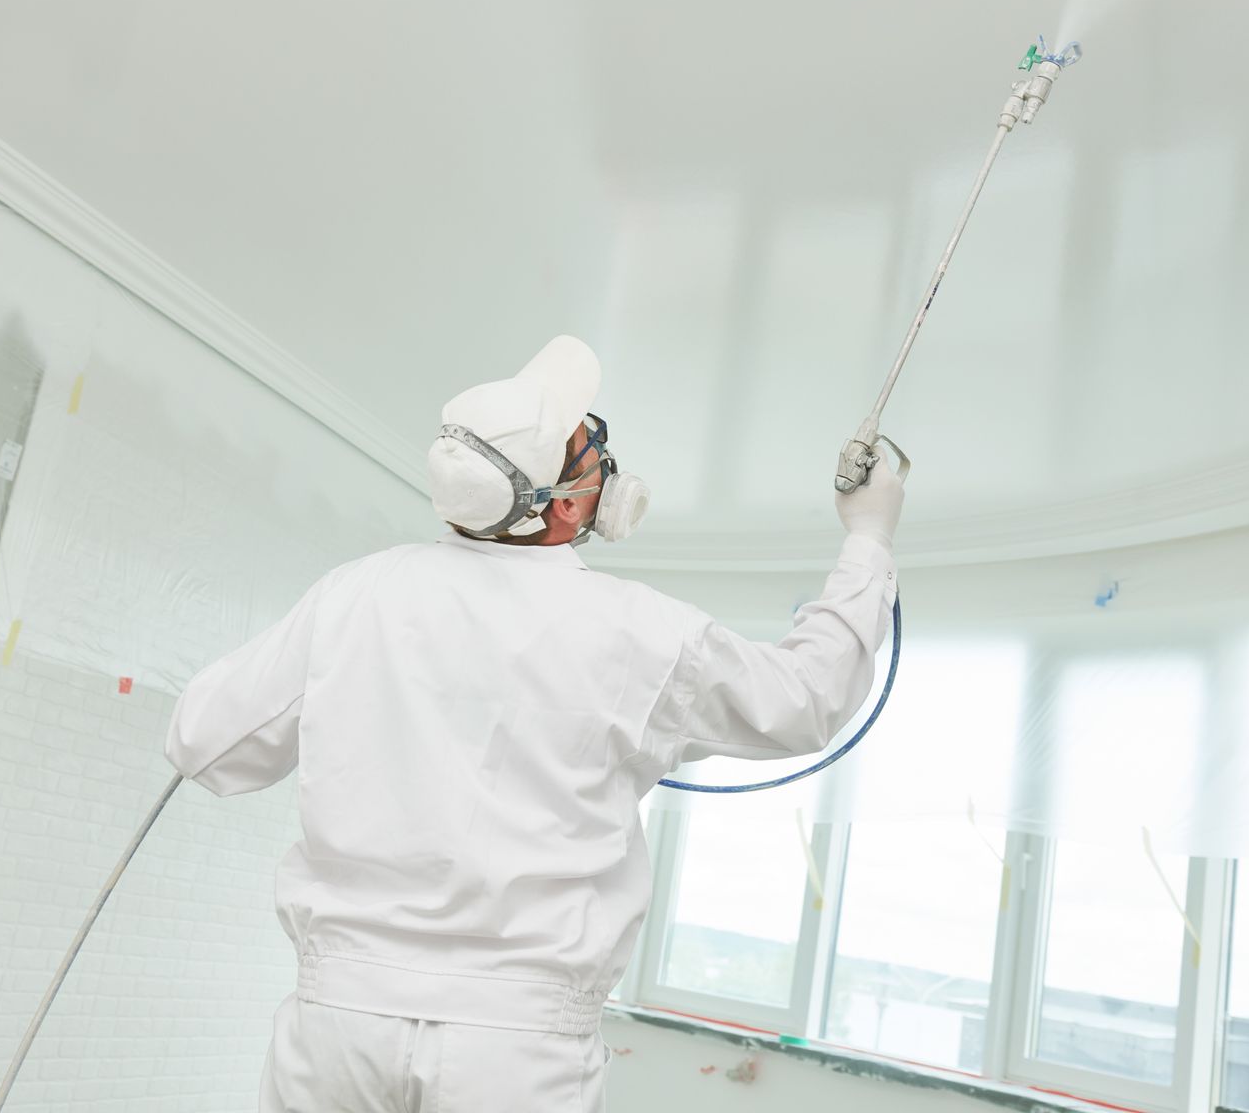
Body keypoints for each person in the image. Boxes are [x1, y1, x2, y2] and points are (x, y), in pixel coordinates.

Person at [165, 334, 903, 1111]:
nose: (602, 461)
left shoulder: (356, 594)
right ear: (564, 501)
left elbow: (203, 747)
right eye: (588, 446)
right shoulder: (640, 633)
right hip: (515, 1054)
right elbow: (805, 698)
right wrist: (868, 540)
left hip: (337, 1030)